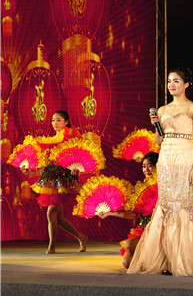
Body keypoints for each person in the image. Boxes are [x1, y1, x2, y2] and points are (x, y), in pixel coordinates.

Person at [128, 68, 193, 276]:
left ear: (187, 84)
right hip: (166, 159)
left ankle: (184, 260)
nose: (171, 85)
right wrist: (156, 125)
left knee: (184, 205)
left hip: (185, 159)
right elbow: (158, 141)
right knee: (166, 205)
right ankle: (166, 260)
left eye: (176, 81)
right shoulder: (163, 110)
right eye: (169, 81)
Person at [28, 110, 88, 254]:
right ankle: (81, 237)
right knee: (58, 218)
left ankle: (52, 246)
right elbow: (44, 161)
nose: (55, 123)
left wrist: (76, 167)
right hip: (51, 177)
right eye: (53, 120)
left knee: (51, 212)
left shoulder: (70, 136)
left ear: (66, 122)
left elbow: (79, 153)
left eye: (59, 120)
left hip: (63, 177)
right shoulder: (50, 140)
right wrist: (29, 168)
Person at [98, 152, 158, 269]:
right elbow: (134, 215)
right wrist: (110, 213)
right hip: (144, 229)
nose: (146, 170)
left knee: (129, 245)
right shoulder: (143, 188)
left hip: (158, 231)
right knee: (127, 263)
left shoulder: (162, 186)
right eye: (144, 166)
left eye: (150, 166)